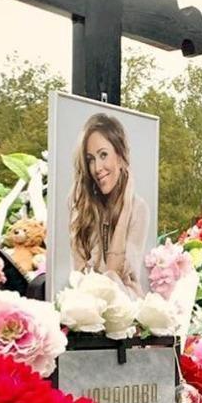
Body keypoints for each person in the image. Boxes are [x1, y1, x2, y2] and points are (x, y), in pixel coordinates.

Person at [68, 112, 149, 297]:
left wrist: (126, 208)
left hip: (126, 308)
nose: (97, 168)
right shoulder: (83, 208)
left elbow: (115, 275)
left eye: (103, 155)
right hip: (88, 310)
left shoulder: (138, 209)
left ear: (120, 157)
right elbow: (79, 278)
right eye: (91, 159)